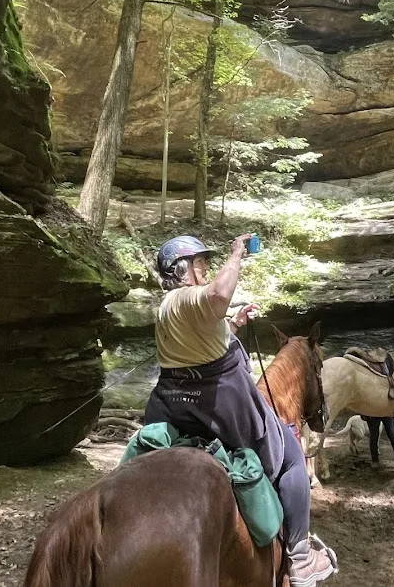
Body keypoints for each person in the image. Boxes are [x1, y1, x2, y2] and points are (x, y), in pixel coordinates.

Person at [144, 234, 336, 587]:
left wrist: (233, 324)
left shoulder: (170, 305)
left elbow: (202, 334)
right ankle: (300, 557)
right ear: (180, 269)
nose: (204, 268)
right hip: (219, 405)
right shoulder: (187, 297)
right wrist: (236, 254)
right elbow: (218, 295)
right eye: (198, 262)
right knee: (293, 458)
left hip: (172, 402)